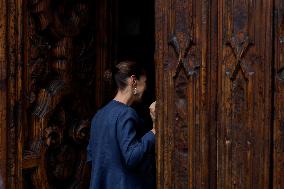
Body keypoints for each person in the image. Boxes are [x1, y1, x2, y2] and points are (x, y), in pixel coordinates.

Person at [87, 60, 156, 189]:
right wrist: (154, 131)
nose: (146, 88)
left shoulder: (98, 115)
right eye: (145, 82)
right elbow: (131, 157)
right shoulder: (126, 113)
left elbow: (92, 159)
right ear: (134, 80)